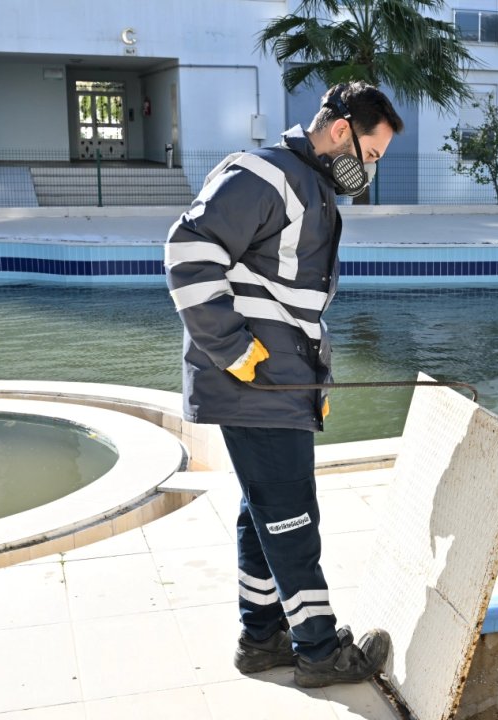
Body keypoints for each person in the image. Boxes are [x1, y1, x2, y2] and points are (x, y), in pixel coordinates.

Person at [165, 82, 403, 687]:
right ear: (343, 130)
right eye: (371, 155)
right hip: (257, 384)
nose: (369, 170)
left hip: (278, 383)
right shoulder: (266, 175)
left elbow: (291, 303)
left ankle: (261, 638)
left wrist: (308, 379)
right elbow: (187, 250)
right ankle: (320, 653)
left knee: (263, 512)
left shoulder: (311, 186)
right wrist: (236, 351)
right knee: (292, 517)